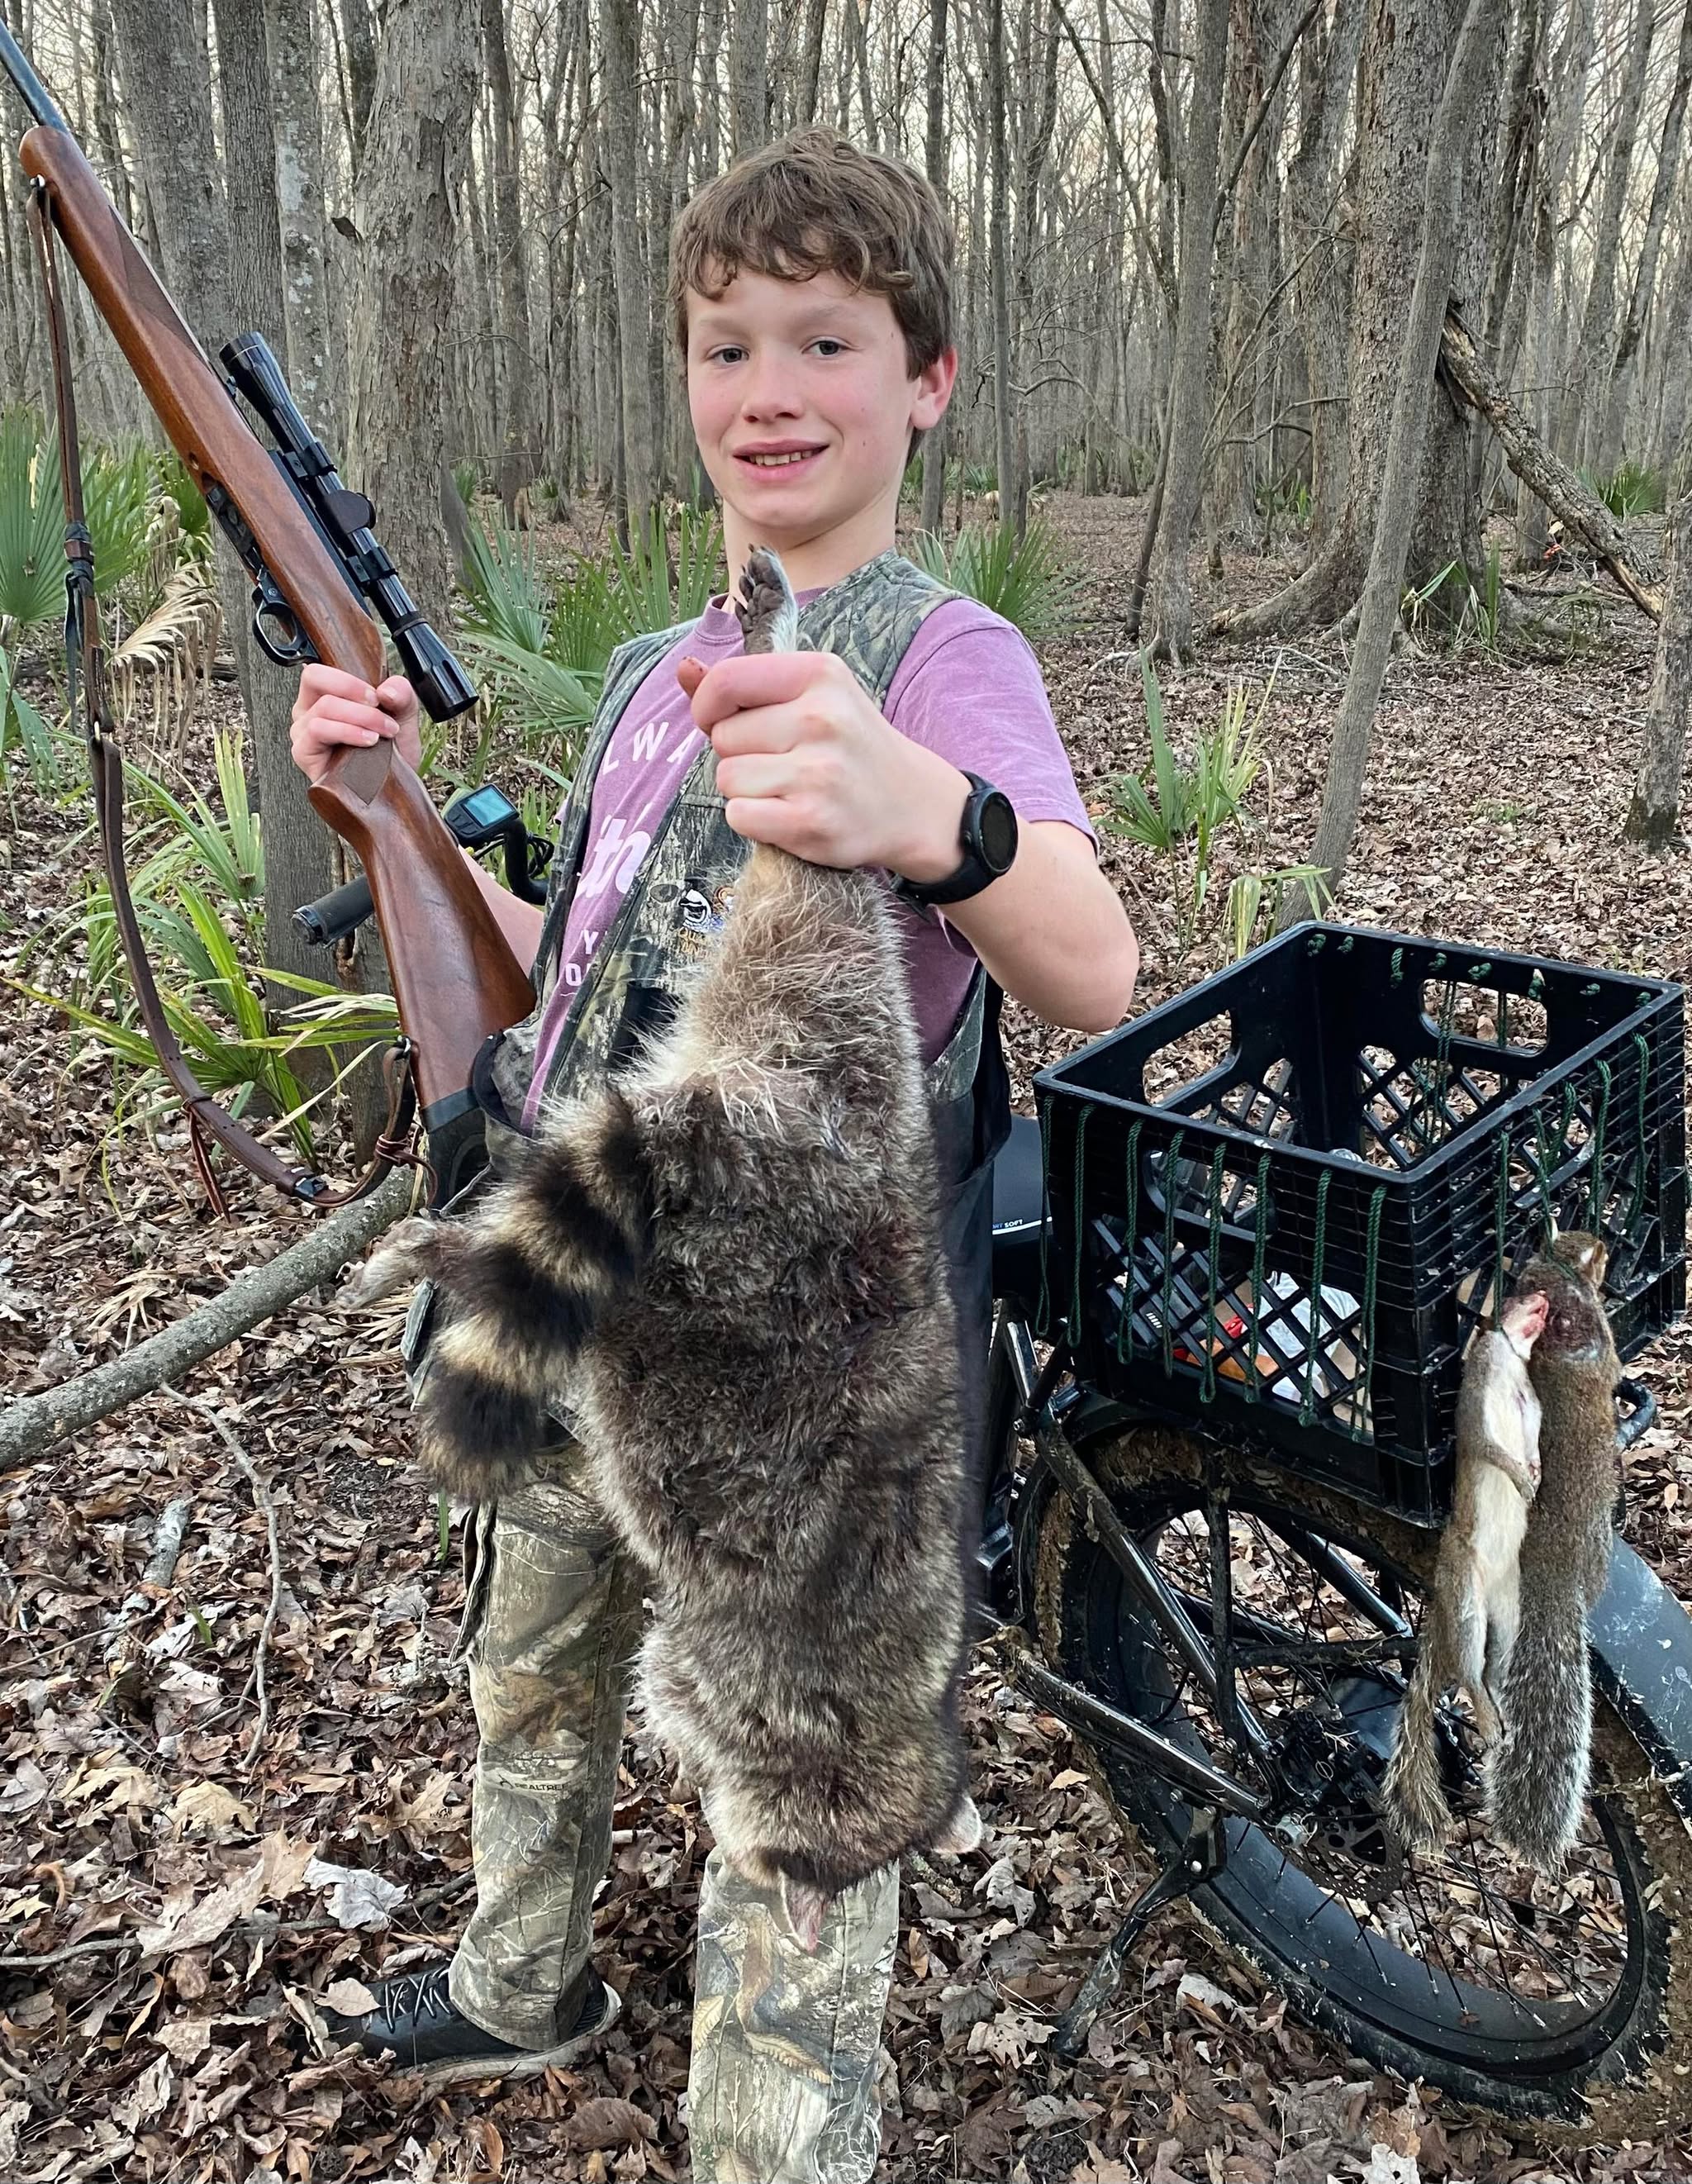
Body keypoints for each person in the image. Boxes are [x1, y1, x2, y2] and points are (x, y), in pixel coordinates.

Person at [291, 126, 1138, 2184]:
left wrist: (929, 812)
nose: (770, 389)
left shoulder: (948, 660)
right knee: (530, 1654)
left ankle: (779, 2144)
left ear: (922, 380)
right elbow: (565, 983)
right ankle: (522, 1981)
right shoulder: (664, 672)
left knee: (801, 1812)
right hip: (587, 1300)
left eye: (825, 341)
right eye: (727, 342)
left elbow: (1097, 967)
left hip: (797, 1384)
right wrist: (389, 808)